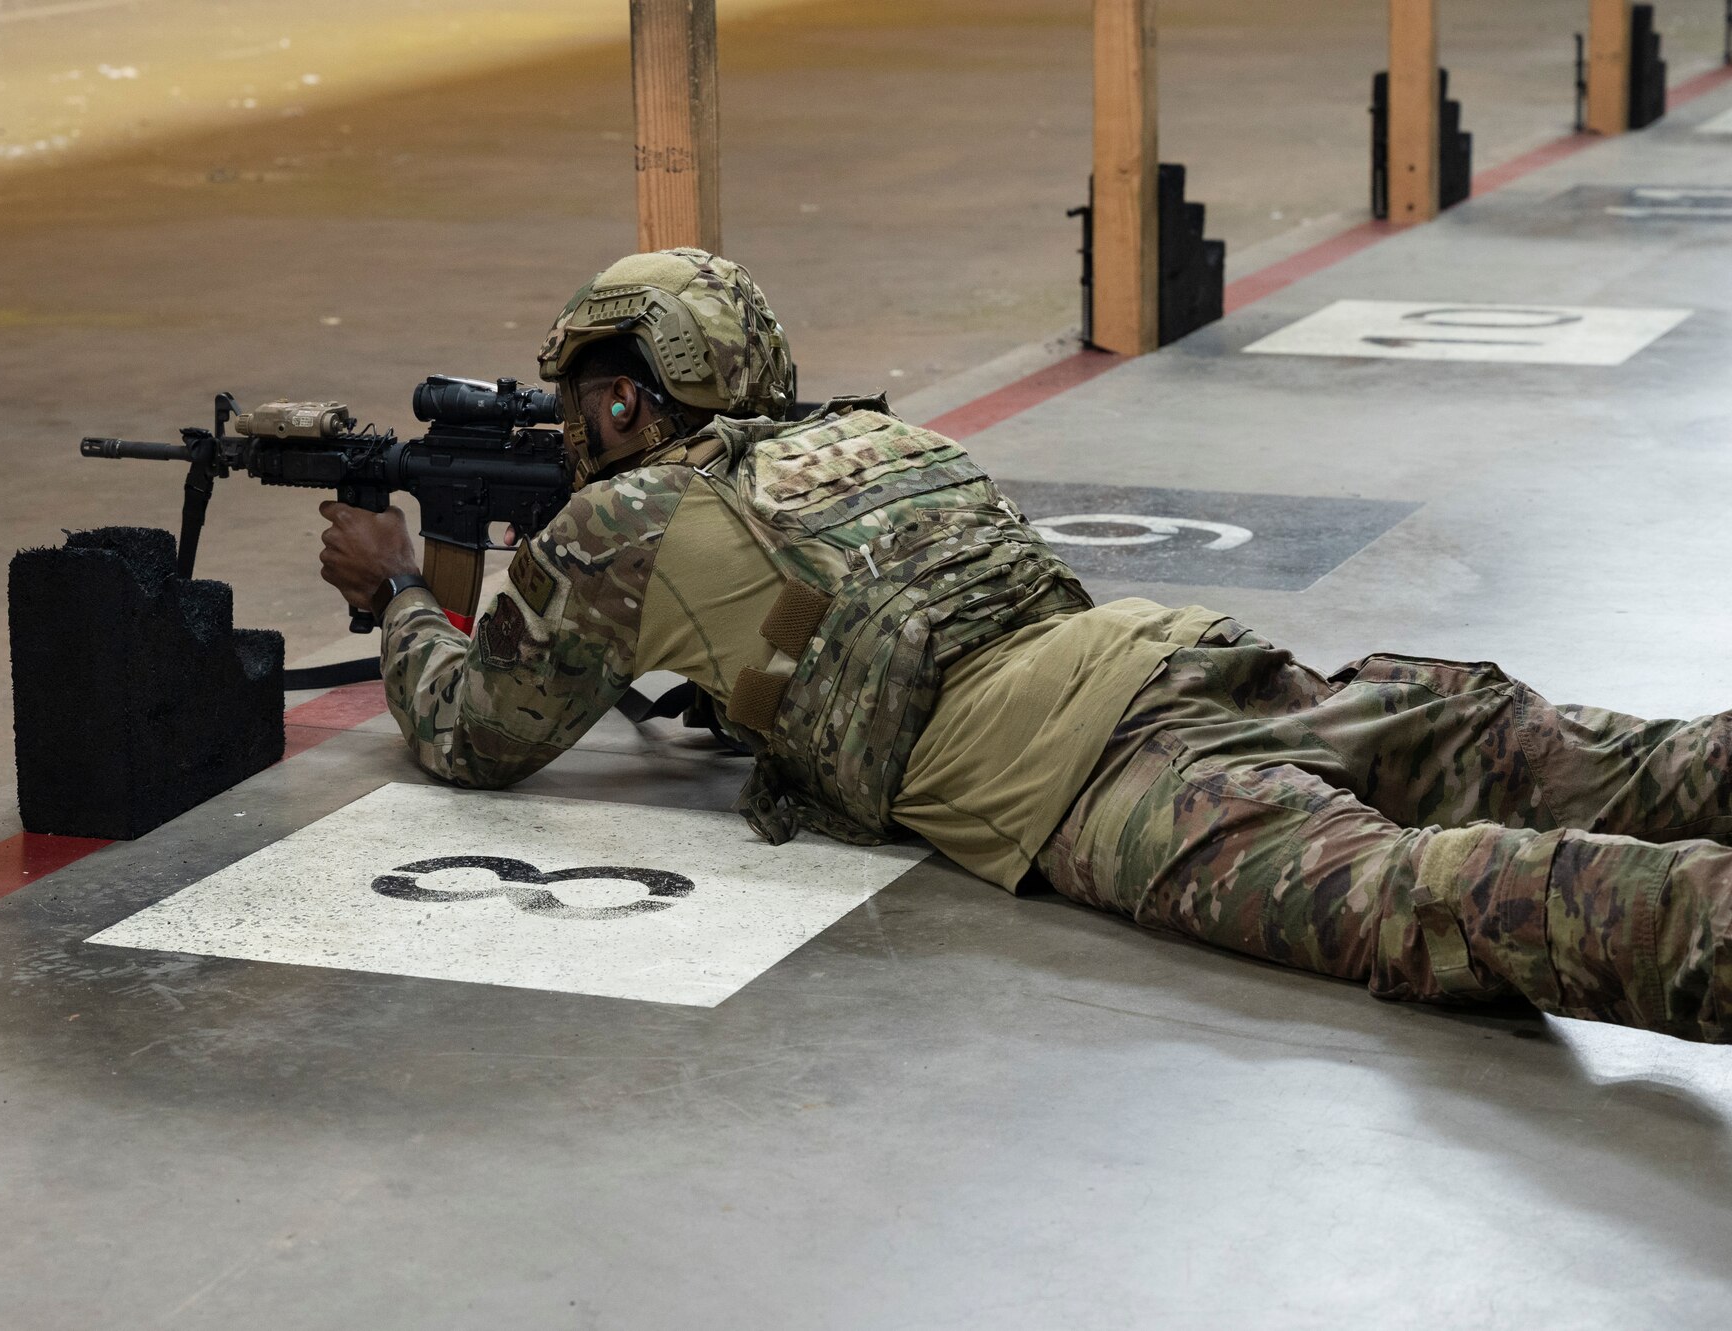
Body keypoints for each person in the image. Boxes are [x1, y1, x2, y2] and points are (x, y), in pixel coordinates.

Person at [319, 248, 1732, 1044]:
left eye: (588, 404)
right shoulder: (878, 435)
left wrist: (397, 592)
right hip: (1198, 659)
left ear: (628, 406)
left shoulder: (618, 524)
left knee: (1416, 902)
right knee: (1588, 760)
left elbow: (471, 738)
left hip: (1087, 776)